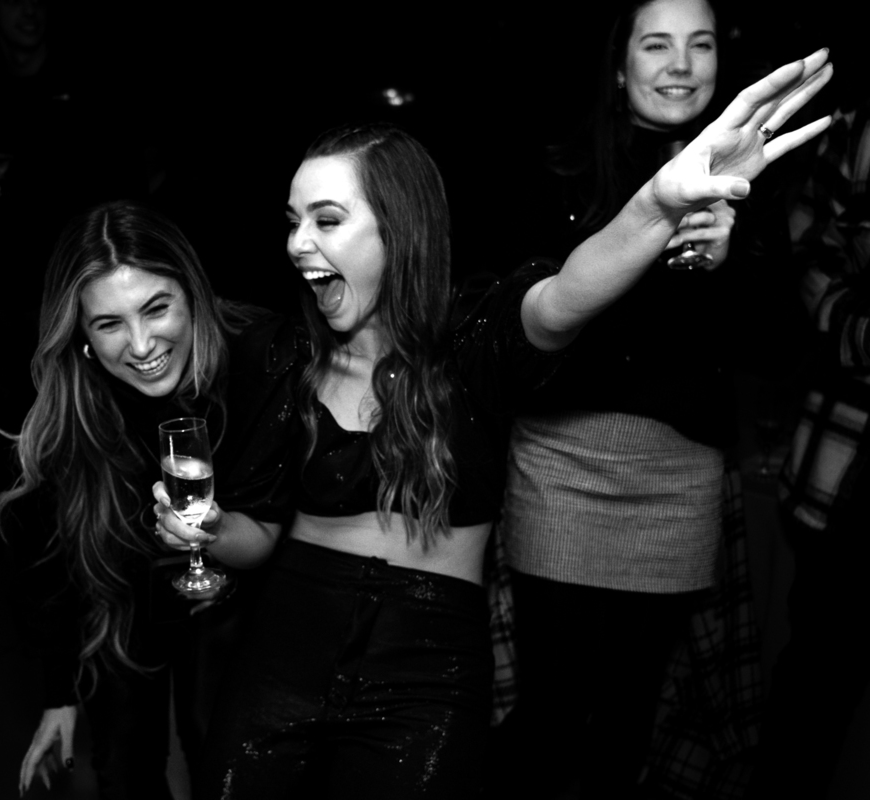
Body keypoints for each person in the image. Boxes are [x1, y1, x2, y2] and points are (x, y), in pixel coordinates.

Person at [153, 48, 835, 799]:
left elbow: (568, 294)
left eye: (327, 220)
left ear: (398, 230)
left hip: (427, 666)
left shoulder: (473, 342)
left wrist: (656, 205)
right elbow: (255, 533)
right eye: (292, 222)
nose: (296, 243)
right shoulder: (285, 356)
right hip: (285, 643)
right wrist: (210, 529)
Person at [488, 1, 786, 795]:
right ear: (620, 66)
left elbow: (782, 343)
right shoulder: (558, 171)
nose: (681, 65)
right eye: (658, 45)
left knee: (628, 721)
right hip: (564, 465)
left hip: (679, 481)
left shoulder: (756, 178)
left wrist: (727, 260)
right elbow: (520, 335)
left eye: (700, 44)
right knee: (550, 717)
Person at [0, 201, 301, 798]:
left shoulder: (260, 354)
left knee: (221, 755)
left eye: (156, 308)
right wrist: (59, 694)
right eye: (108, 324)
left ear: (192, 293)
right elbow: (49, 564)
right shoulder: (69, 402)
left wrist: (211, 531)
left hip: (243, 598)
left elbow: (272, 529)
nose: (140, 346)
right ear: (82, 334)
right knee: (122, 768)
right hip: (124, 599)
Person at [747, 75, 870, 798]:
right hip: (848, 465)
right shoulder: (856, 132)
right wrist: (861, 332)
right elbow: (810, 254)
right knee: (815, 689)